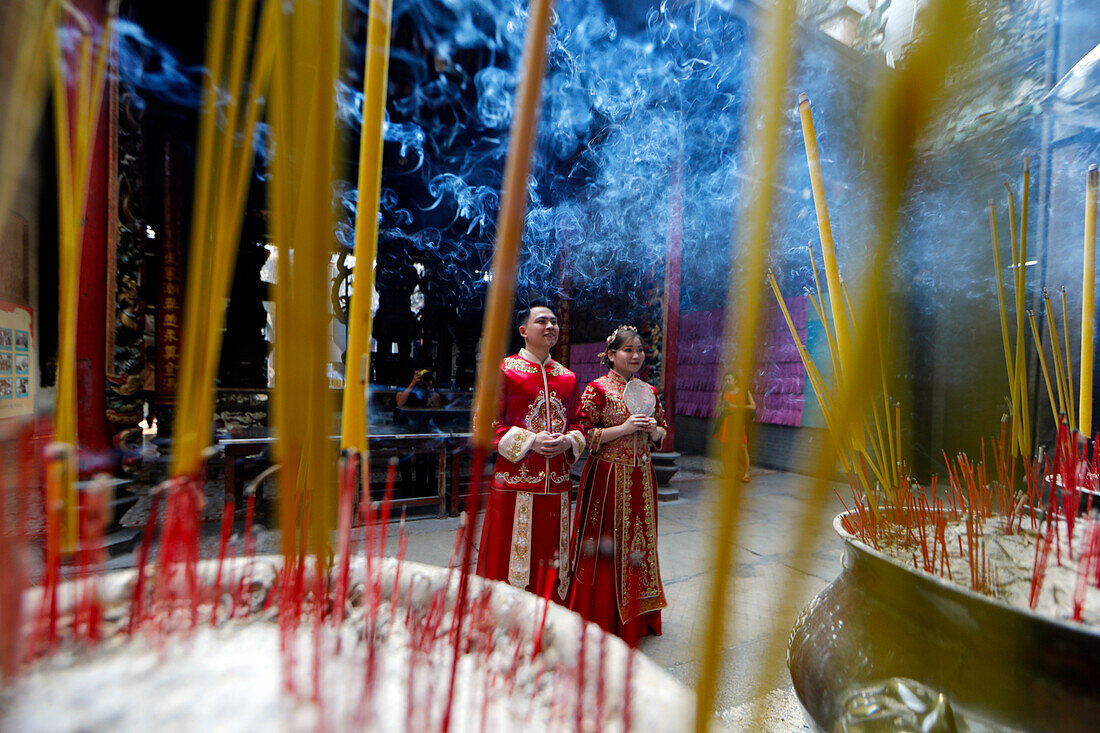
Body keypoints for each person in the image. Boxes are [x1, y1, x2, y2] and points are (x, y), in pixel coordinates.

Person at [475, 304, 585, 602]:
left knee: (552, 560)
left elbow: (579, 422)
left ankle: (550, 622)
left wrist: (568, 441)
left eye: (553, 322)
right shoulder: (504, 370)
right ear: (523, 331)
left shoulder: (567, 377)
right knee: (510, 563)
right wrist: (531, 441)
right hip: (515, 484)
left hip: (558, 486)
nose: (551, 326)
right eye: (542, 322)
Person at [568, 325, 667, 644]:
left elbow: (662, 431)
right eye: (628, 350)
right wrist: (624, 428)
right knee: (607, 547)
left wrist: (654, 432)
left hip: (642, 478)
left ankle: (638, 616)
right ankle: (603, 614)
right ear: (611, 356)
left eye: (639, 350)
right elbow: (582, 434)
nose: (636, 355)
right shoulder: (597, 389)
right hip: (608, 478)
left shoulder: (648, 392)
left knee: (640, 546)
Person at [396, 368, 442, 494]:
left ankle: (422, 486)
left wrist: (429, 387)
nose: (421, 376)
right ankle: (406, 486)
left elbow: (438, 404)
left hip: (423, 426)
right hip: (405, 425)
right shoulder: (406, 379)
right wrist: (412, 383)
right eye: (419, 373)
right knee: (404, 456)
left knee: (423, 457)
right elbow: (399, 401)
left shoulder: (429, 381)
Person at [714, 372, 755, 482]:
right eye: (726, 380)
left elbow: (753, 406)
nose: (727, 382)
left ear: (735, 380)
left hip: (739, 421)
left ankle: (747, 473)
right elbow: (717, 408)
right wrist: (722, 407)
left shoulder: (744, 392)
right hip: (726, 421)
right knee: (725, 448)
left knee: (742, 447)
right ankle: (726, 471)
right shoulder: (723, 394)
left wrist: (736, 406)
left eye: (729, 379)